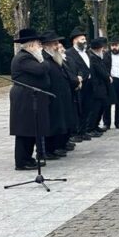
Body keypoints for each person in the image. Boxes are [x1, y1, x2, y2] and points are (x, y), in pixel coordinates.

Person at [9, 28, 51, 170]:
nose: (41, 47)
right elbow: (40, 70)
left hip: (32, 97)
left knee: (32, 129)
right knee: (24, 130)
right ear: (31, 45)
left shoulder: (29, 57)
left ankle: (28, 158)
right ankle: (22, 161)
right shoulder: (23, 58)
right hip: (24, 98)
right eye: (39, 44)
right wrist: (43, 59)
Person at [41, 31, 74, 159]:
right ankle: (46, 150)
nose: (57, 46)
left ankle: (54, 147)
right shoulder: (44, 58)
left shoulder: (55, 57)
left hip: (60, 95)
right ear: (46, 45)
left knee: (57, 123)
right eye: (55, 43)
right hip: (51, 96)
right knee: (50, 124)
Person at [65, 28, 93, 141]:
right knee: (78, 109)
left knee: (87, 108)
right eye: (82, 39)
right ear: (75, 40)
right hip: (79, 84)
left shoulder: (86, 52)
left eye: (85, 39)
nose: (84, 41)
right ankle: (75, 132)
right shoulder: (69, 53)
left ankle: (83, 130)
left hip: (89, 84)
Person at [87, 37, 112, 135]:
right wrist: (107, 76)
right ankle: (90, 128)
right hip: (96, 87)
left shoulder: (98, 57)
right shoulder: (92, 58)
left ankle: (95, 125)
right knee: (95, 108)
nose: (103, 50)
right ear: (97, 49)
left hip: (102, 87)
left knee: (101, 107)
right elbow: (100, 70)